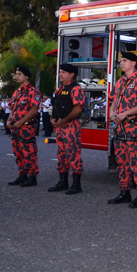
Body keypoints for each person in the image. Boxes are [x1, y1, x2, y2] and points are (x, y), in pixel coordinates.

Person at [107, 52, 137, 207]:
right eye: (121, 60)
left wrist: (125, 113)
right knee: (122, 162)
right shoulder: (120, 82)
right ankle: (124, 192)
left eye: (124, 60)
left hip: (133, 127)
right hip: (120, 129)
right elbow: (114, 99)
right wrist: (112, 111)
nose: (121, 63)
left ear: (133, 63)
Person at [48, 64, 85, 195]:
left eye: (63, 72)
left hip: (70, 126)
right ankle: (63, 181)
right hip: (59, 126)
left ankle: (76, 184)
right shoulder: (59, 90)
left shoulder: (75, 89)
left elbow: (78, 108)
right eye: (60, 72)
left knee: (73, 154)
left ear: (71, 74)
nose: (60, 74)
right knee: (61, 155)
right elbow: (53, 106)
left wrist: (64, 120)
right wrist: (52, 118)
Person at [7, 67, 42, 187]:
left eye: (19, 74)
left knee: (29, 152)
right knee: (17, 151)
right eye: (16, 74)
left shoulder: (33, 92)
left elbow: (34, 110)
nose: (17, 76)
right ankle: (22, 174)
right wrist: (8, 120)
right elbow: (13, 108)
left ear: (26, 76)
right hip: (16, 127)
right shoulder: (17, 92)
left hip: (27, 127)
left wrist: (21, 122)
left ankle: (32, 177)